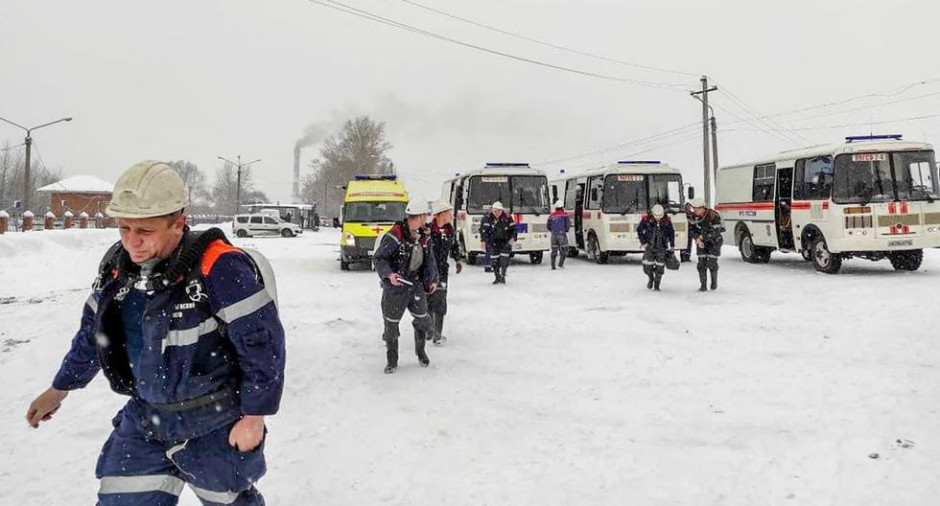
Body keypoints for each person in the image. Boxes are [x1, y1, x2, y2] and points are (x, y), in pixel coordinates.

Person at [25, 161, 286, 505]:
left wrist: (254, 417)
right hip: (145, 421)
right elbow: (93, 335)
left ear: (178, 223)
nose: (132, 242)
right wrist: (60, 388)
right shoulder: (117, 270)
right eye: (124, 228)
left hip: (214, 424)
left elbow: (263, 347)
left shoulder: (220, 266)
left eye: (145, 232)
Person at [373, 200, 439, 373]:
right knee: (391, 326)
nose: (426, 220)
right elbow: (379, 258)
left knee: (423, 320)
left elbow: (430, 261)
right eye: (424, 216)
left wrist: (432, 280)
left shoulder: (424, 236)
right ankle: (392, 360)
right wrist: (389, 274)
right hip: (396, 288)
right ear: (417, 217)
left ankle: (420, 351)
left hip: (416, 285)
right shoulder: (395, 235)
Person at [427, 200, 465, 345]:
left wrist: (458, 260)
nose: (452, 216)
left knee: (440, 302)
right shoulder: (428, 230)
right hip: (427, 272)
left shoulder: (450, 230)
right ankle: (428, 330)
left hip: (442, 271)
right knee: (428, 301)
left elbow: (454, 247)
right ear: (441, 214)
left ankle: (438, 334)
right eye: (449, 213)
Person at [689, 197, 725, 291]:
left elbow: (716, 231)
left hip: (714, 242)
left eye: (697, 209)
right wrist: (697, 239)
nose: (695, 211)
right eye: (694, 209)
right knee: (701, 264)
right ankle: (703, 286)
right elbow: (691, 230)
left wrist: (703, 237)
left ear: (703, 208)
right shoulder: (693, 217)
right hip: (701, 242)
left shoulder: (714, 216)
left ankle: (714, 283)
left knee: (712, 263)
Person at [637, 204, 675, 291]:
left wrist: (672, 245)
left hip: (662, 246)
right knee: (647, 265)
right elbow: (639, 230)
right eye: (656, 216)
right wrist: (643, 242)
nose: (658, 218)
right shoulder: (645, 219)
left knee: (660, 266)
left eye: (660, 216)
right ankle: (651, 278)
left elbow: (671, 233)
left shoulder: (667, 221)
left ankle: (657, 285)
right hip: (649, 246)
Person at [479, 201, 517, 284]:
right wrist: (483, 241)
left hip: (505, 241)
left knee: (504, 260)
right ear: (492, 210)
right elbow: (483, 230)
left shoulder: (507, 217)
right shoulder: (486, 218)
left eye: (499, 211)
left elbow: (514, 229)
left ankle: (503, 276)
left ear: (502, 211)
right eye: (495, 211)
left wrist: (513, 238)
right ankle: (497, 277)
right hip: (492, 242)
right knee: (494, 261)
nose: (497, 213)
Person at [546, 200, 571, 270]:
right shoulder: (565, 215)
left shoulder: (551, 215)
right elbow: (568, 225)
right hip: (561, 235)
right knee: (565, 250)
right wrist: (565, 230)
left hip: (553, 235)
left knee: (554, 250)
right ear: (562, 207)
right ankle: (560, 264)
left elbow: (548, 226)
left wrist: (553, 230)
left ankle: (553, 266)